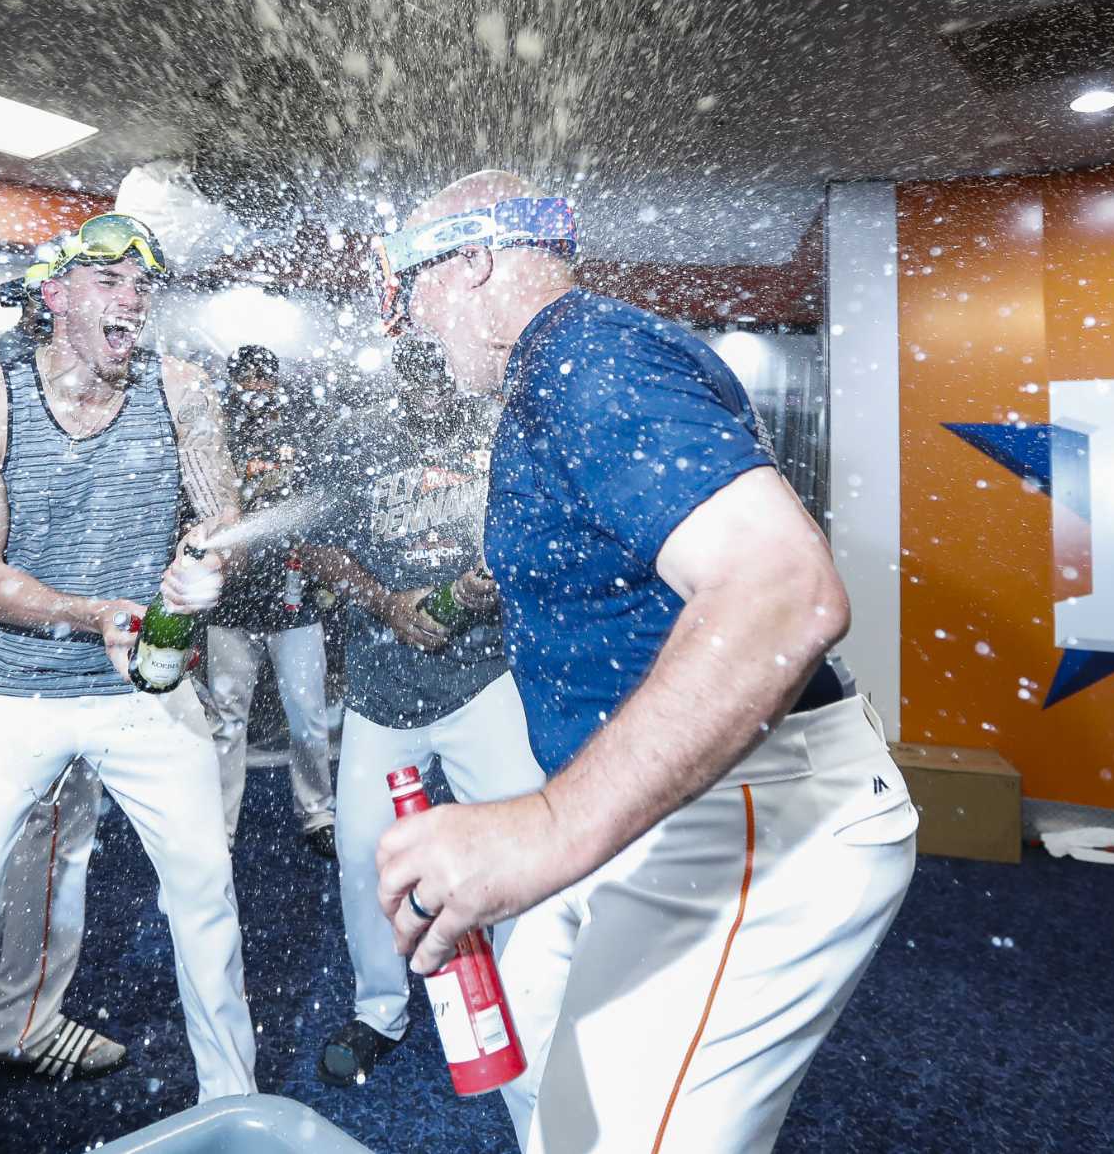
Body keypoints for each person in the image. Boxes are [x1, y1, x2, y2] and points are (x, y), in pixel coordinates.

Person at [374, 172, 919, 1153]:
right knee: (541, 1070)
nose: (405, 321)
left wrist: (543, 829)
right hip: (645, 796)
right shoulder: (553, 374)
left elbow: (783, 590)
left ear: (471, 263)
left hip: (744, 809)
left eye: (410, 286)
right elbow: (598, 561)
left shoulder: (591, 361)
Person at [0, 212, 255, 1152]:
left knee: (206, 893)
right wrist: (96, 613)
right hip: (5, 690)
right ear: (57, 294)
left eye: (142, 284)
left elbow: (218, 511)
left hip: (139, 693)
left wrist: (200, 565)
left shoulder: (179, 388)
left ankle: (231, 1109)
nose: (134, 297)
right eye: (108, 279)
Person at [300, 336, 545, 1088]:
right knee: (364, 853)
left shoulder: (499, 431)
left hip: (484, 677)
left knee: (524, 848)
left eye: (446, 371)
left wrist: (493, 580)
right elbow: (319, 548)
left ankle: (529, 1004)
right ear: (398, 372)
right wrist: (386, 603)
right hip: (382, 688)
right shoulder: (355, 438)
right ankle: (379, 1010)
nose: (434, 388)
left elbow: (535, 530)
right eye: (419, 372)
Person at [0, 263, 121, 1081]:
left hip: (9, 642)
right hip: (32, 645)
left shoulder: (8, 372)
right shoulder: (4, 379)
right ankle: (22, 1019)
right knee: (44, 842)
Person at [206, 343, 337, 858]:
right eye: (247, 380)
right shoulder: (214, 441)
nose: (256, 390)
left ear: (277, 382)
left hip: (293, 601)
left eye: (264, 380)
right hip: (229, 606)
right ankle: (221, 829)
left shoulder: (302, 435)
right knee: (226, 721)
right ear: (233, 385)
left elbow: (322, 507)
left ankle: (318, 812)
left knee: (308, 717)